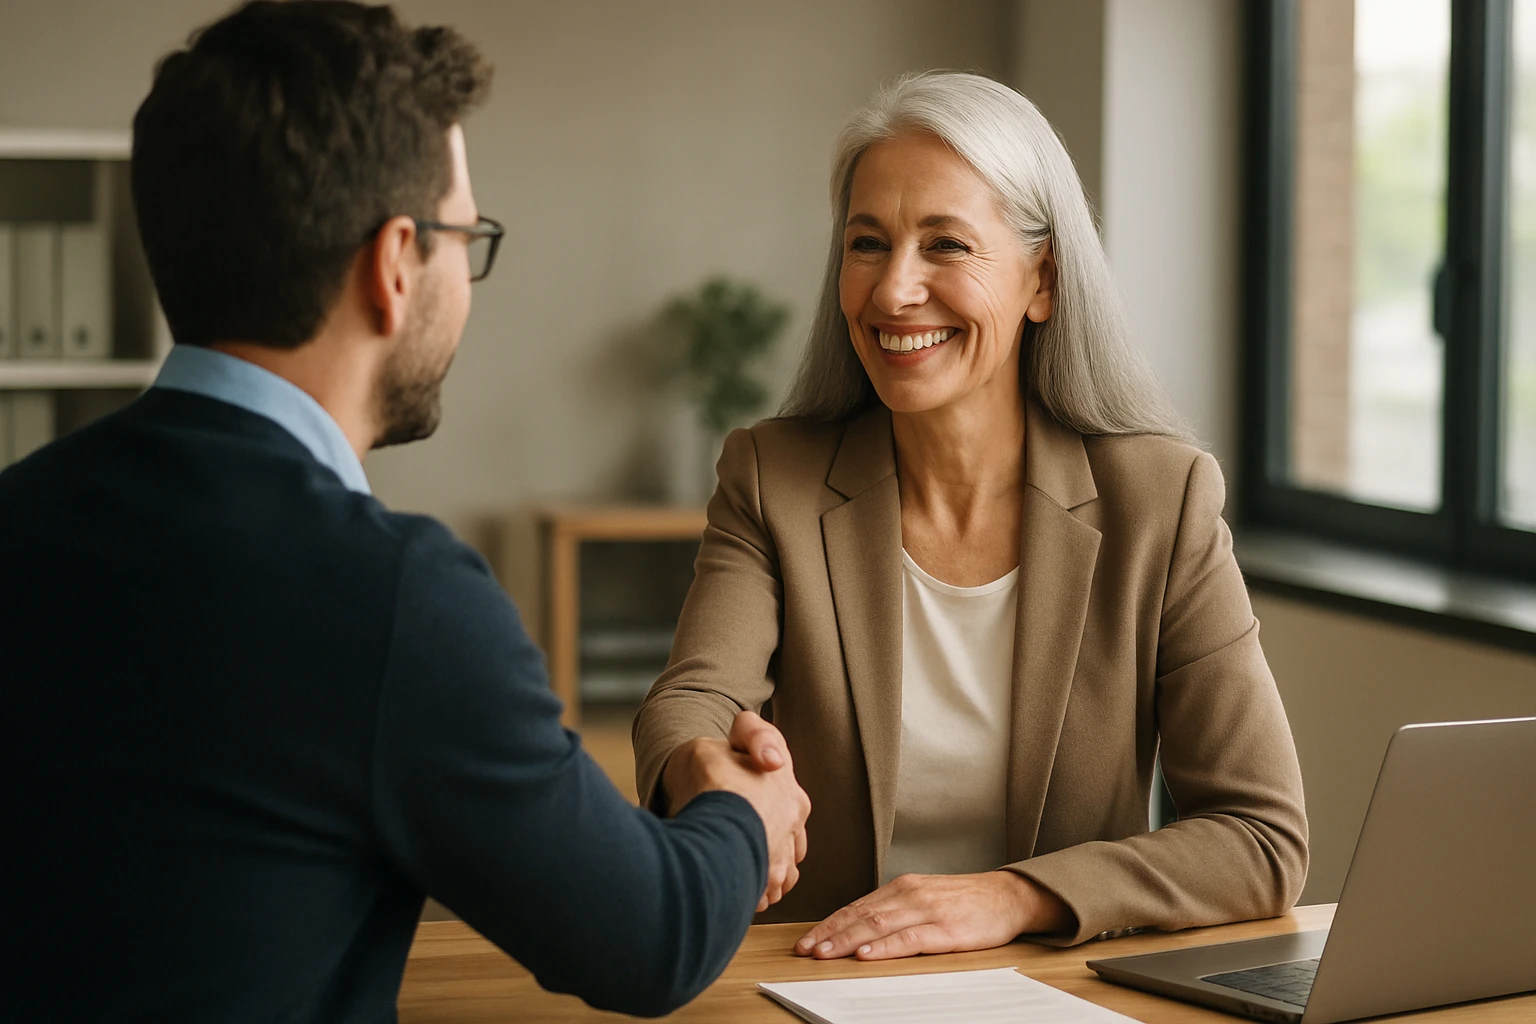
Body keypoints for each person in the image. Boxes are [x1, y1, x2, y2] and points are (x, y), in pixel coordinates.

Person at [0, 3, 809, 1021]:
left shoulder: (21, 511)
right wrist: (746, 812)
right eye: (464, 240)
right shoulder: (389, 598)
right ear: (394, 265)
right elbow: (650, 934)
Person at [632, 71, 1309, 960]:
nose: (891, 292)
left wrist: (1017, 897)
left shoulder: (1162, 501)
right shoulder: (773, 477)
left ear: (1044, 280)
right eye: (866, 243)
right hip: (823, 980)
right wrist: (700, 764)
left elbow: (1262, 838)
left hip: (1059, 996)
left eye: (944, 245)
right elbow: (692, 700)